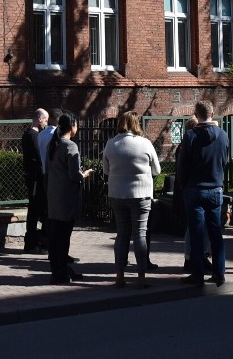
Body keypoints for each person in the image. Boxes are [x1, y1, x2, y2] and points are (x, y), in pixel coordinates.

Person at [102, 110, 162, 288]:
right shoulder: (145, 144)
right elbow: (157, 170)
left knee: (122, 234)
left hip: (118, 193)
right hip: (141, 194)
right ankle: (141, 276)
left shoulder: (111, 144)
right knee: (140, 234)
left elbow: (106, 170)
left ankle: (120, 275)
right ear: (137, 124)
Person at [177, 100, 229, 287]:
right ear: (212, 113)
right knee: (216, 232)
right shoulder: (223, 135)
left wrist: (183, 186)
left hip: (194, 188)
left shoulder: (190, 136)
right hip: (215, 187)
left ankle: (198, 274)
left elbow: (182, 165)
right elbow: (225, 159)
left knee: (197, 234)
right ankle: (219, 272)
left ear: (196, 114)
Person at [46, 112, 94, 284]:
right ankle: (61, 272)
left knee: (55, 237)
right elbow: (74, 175)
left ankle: (59, 270)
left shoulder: (53, 145)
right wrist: (84, 175)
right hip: (66, 197)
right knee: (64, 238)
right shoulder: (70, 146)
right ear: (72, 126)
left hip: (53, 196)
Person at [21, 108, 49, 254]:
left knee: (35, 209)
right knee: (36, 209)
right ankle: (33, 242)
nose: (46, 123)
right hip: (36, 178)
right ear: (39, 118)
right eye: (45, 120)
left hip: (32, 177)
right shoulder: (34, 136)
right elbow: (39, 157)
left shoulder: (28, 134)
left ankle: (34, 241)